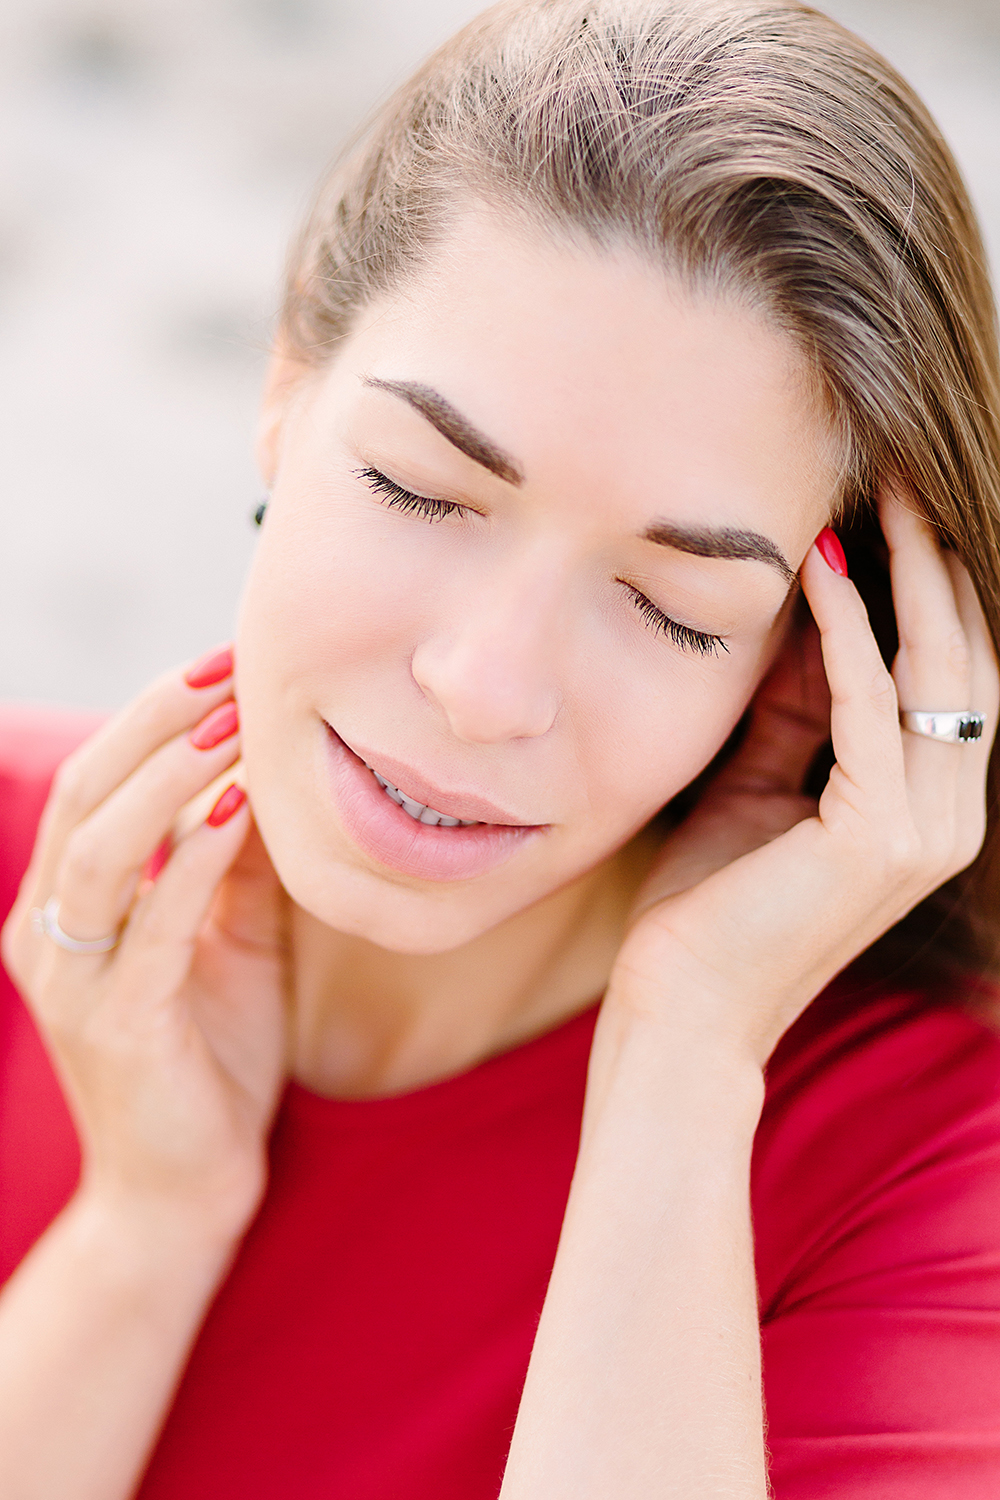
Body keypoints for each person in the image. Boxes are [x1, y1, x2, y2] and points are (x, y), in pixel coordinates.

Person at [2, 0, 1000, 1494]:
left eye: (671, 607)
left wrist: (681, 1067)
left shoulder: (929, 1169)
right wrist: (145, 1226)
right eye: (421, 489)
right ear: (287, 385)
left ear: (815, 660)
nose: (483, 688)